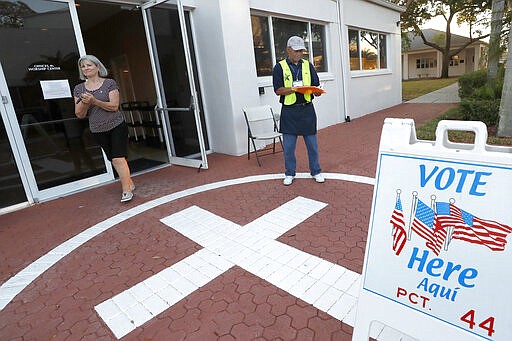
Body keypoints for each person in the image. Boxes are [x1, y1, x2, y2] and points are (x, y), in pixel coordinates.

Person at [73, 55, 135, 202]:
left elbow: (114, 106)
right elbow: (79, 114)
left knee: (118, 157)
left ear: (97, 67)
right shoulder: (79, 89)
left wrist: (94, 100)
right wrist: (85, 102)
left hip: (116, 125)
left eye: (89, 65)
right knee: (113, 159)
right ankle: (129, 183)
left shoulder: (109, 83)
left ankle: (126, 190)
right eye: (83, 66)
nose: (86, 68)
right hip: (98, 129)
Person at [272, 36, 325, 186]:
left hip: (307, 110)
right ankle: (289, 173)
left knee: (312, 146)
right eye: (296, 51)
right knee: (288, 148)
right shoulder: (279, 67)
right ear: (288, 49)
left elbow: (316, 85)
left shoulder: (308, 66)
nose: (299, 53)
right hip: (289, 112)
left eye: (301, 51)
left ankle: (316, 171)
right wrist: (295, 89)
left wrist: (317, 91)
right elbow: (278, 90)